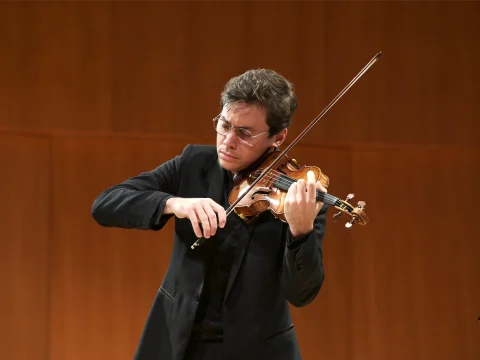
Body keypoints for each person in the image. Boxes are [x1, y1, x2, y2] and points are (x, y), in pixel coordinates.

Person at [91, 69, 329, 360]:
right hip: (175, 341)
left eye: (244, 133)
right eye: (224, 125)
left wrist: (300, 233)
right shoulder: (194, 164)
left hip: (256, 351)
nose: (228, 141)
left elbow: (301, 293)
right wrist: (174, 203)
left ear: (278, 137)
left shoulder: (300, 196)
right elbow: (106, 204)